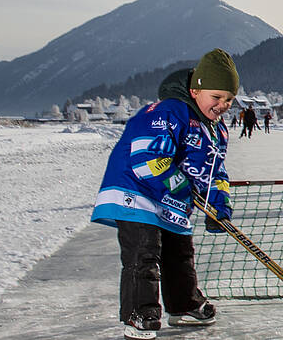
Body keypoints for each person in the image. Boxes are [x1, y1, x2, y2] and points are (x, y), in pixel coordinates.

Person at [89, 49, 239, 340]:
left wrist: (219, 205)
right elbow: (147, 159)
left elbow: (213, 173)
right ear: (196, 90)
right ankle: (140, 313)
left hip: (170, 200)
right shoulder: (168, 111)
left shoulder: (217, 131)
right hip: (136, 192)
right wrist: (180, 186)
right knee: (144, 253)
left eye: (229, 99)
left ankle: (184, 305)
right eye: (216, 97)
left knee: (180, 252)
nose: (222, 105)